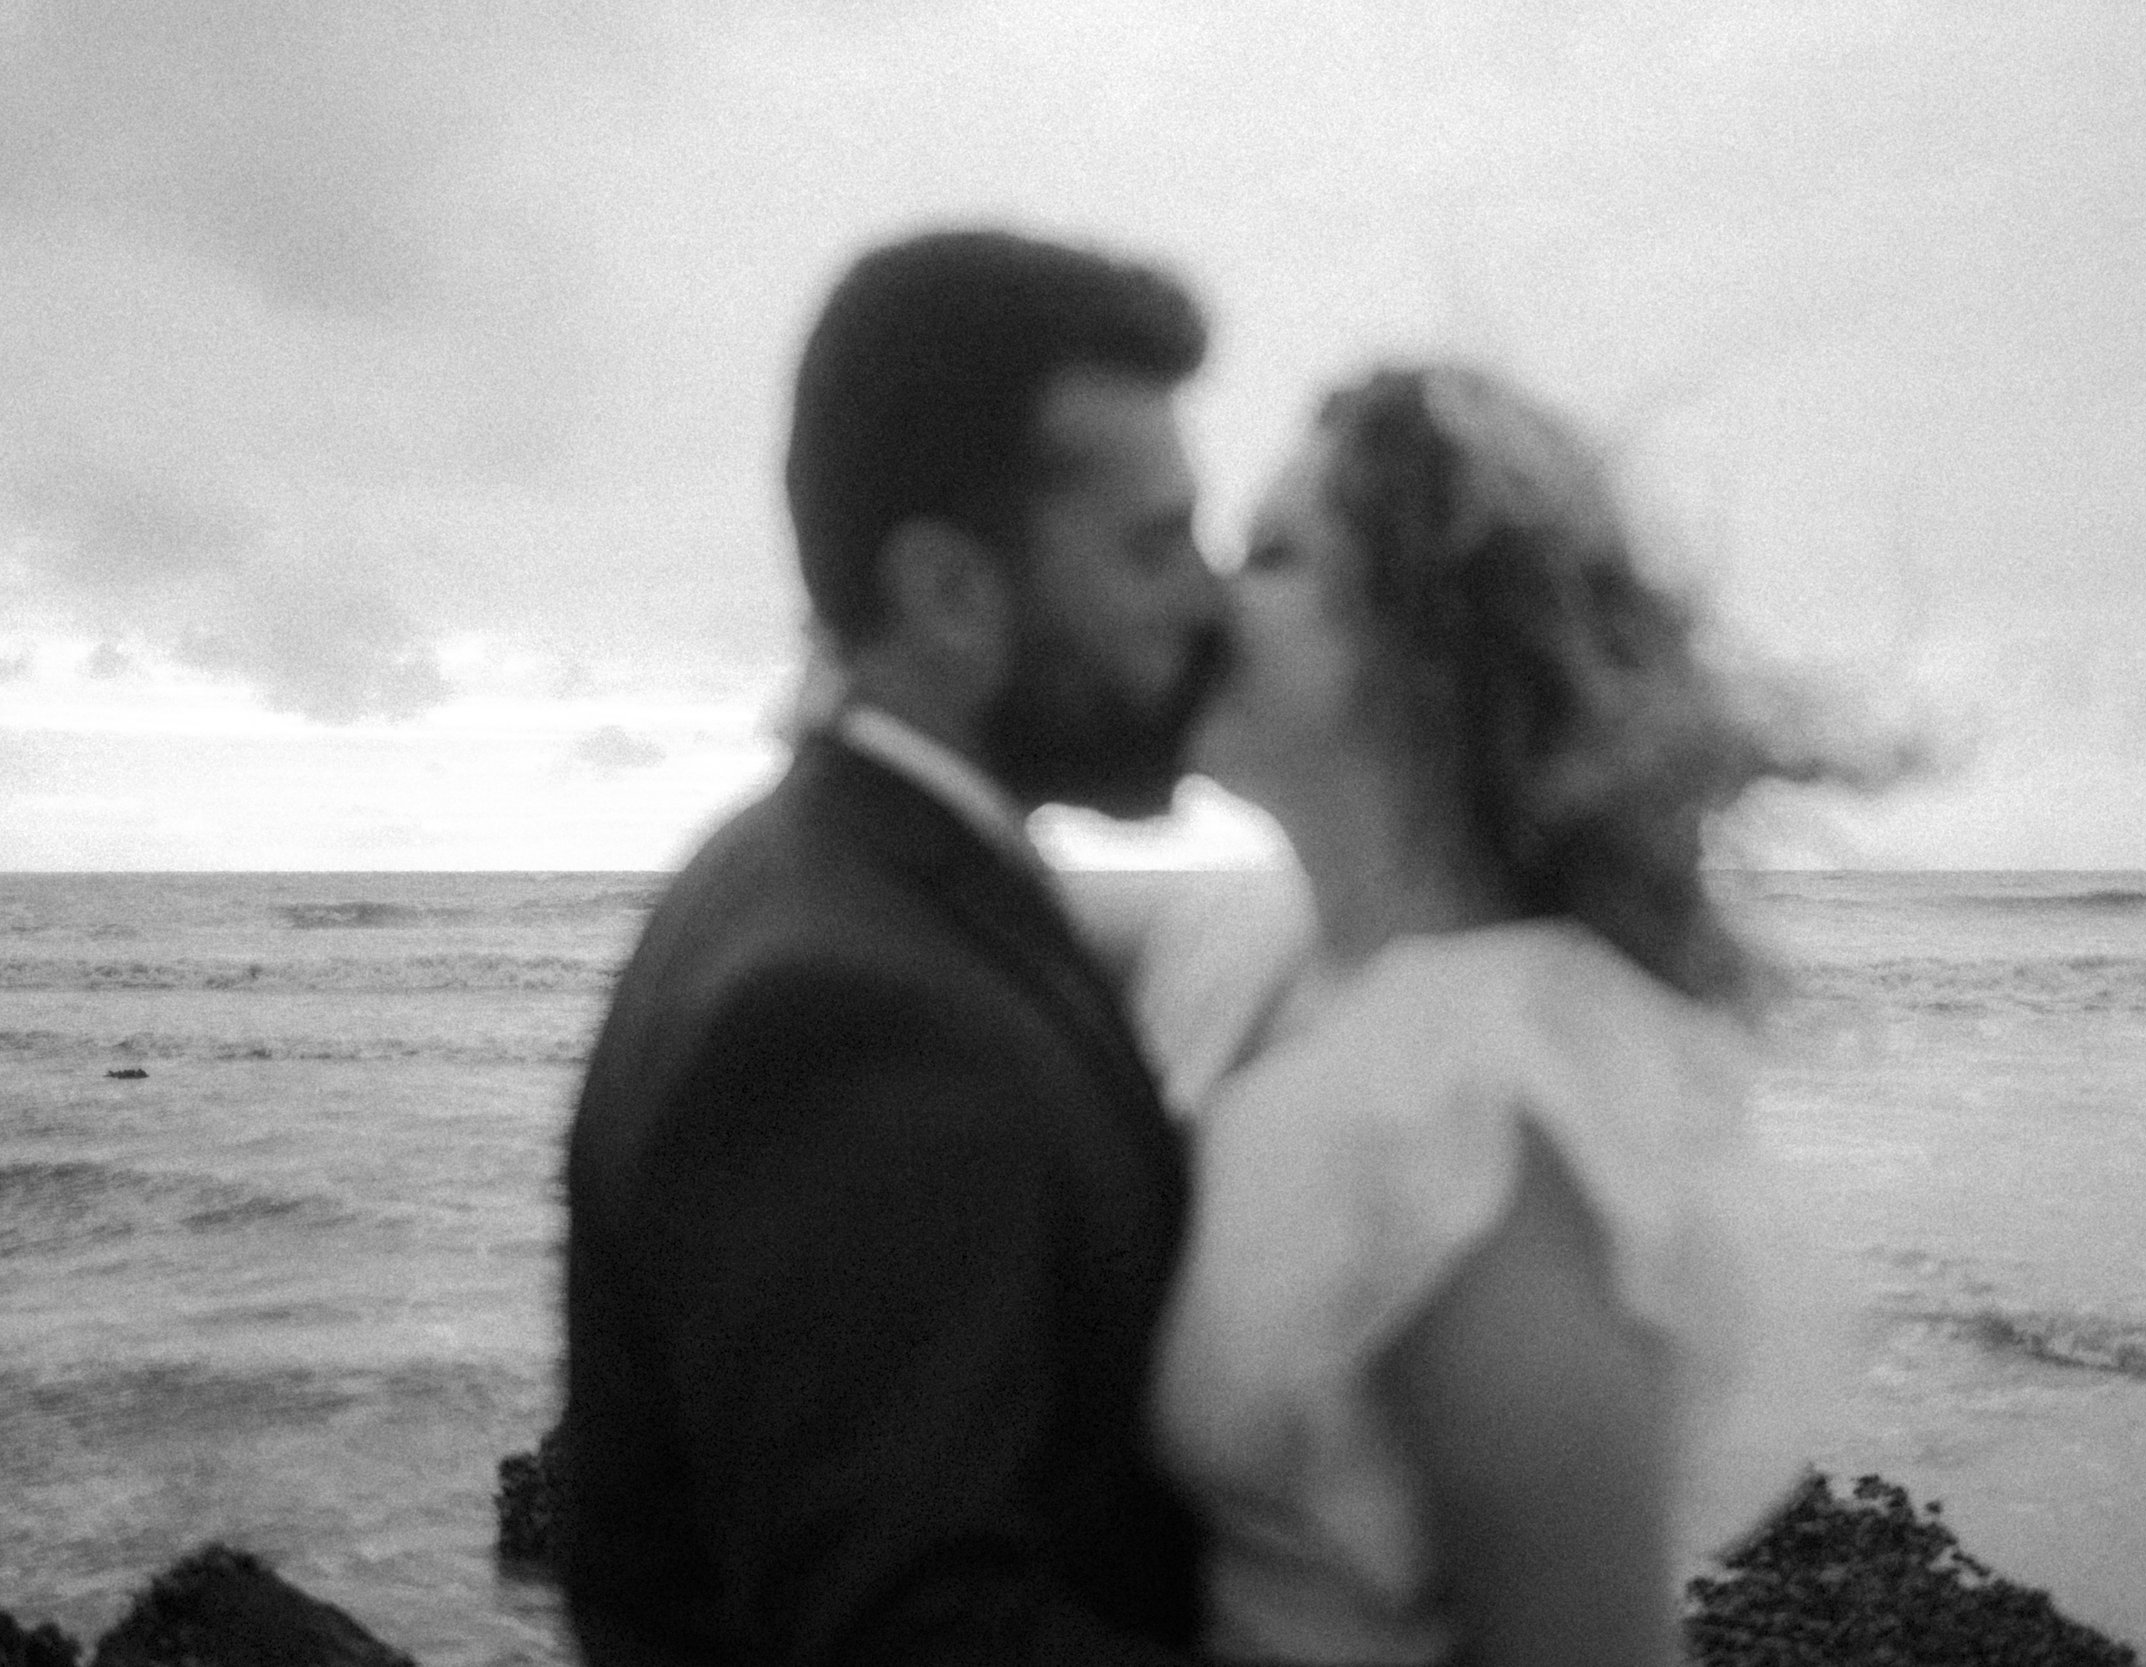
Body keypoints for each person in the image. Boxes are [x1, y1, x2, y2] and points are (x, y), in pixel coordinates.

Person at [558, 228, 1231, 1667]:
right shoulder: (850, 1017)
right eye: (1155, 544)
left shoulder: (828, 874)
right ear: (948, 594)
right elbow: (912, 1634)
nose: (1208, 601)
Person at [1137, 362, 1847, 1667]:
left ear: (1428, 654)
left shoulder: (1474, 1118)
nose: (1203, 601)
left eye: (1276, 557)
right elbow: (985, 899)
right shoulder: (1270, 953)